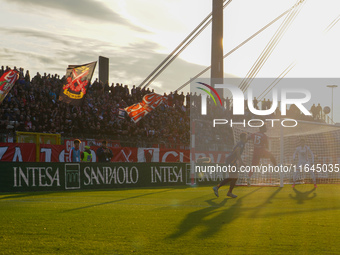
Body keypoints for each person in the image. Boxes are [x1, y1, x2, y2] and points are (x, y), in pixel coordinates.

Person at [213, 133, 248, 198]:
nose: (246, 138)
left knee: (233, 177)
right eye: (245, 137)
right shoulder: (241, 143)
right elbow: (237, 152)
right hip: (231, 161)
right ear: (243, 137)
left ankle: (228, 192)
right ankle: (218, 187)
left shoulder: (241, 143)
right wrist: (241, 162)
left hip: (231, 161)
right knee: (234, 177)